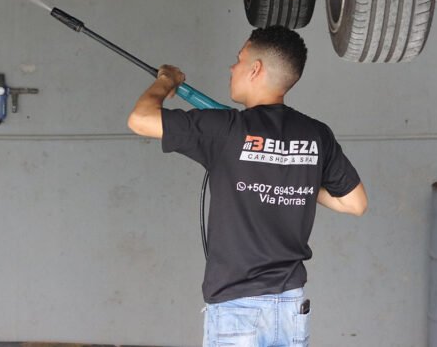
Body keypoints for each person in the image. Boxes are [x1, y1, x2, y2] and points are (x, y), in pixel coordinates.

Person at [127, 25, 367, 347]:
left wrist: (167, 80)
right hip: (291, 308)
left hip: (238, 308)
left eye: (238, 60)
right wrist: (296, 172)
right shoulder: (316, 134)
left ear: (255, 69)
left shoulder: (226, 130)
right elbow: (355, 203)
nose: (232, 67)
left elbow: (140, 119)